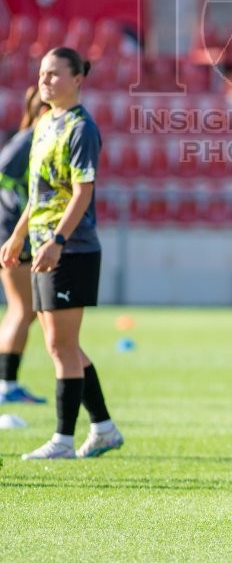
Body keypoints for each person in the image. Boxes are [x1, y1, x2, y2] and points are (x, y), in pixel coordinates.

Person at [0, 47, 124, 460]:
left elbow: (81, 192)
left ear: (77, 79)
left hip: (72, 249)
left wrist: (57, 241)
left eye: (54, 74)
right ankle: (103, 428)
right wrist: (19, 235)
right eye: (42, 73)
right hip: (41, 245)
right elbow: (38, 194)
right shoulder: (43, 125)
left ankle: (64, 440)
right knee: (61, 344)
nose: (45, 80)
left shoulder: (81, 128)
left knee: (61, 345)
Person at [0, 86, 46, 404]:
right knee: (22, 308)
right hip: (14, 233)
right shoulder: (28, 139)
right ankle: (6, 385)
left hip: (19, 233)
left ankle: (6, 383)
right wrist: (16, 210)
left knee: (23, 310)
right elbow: (2, 173)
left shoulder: (37, 139)